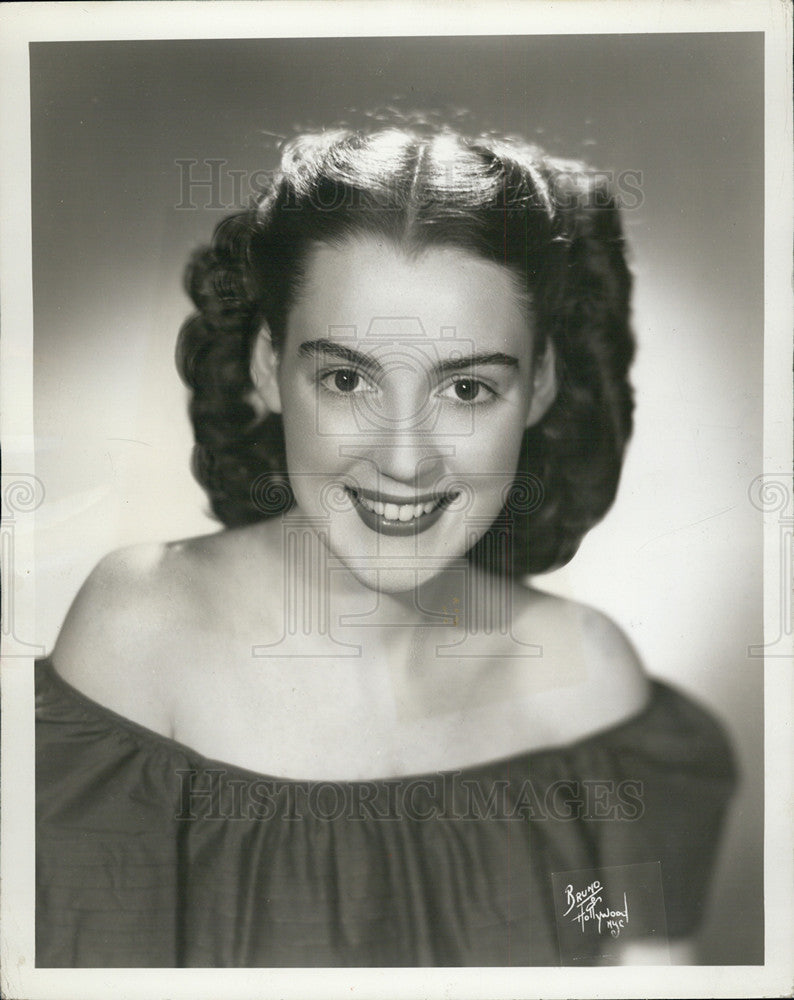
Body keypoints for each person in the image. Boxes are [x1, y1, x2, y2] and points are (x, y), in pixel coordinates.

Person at [35, 124, 736, 967]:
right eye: (346, 379)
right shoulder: (142, 633)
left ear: (541, 383)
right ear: (267, 367)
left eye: (468, 388)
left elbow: (638, 970)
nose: (405, 458)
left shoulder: (592, 692)